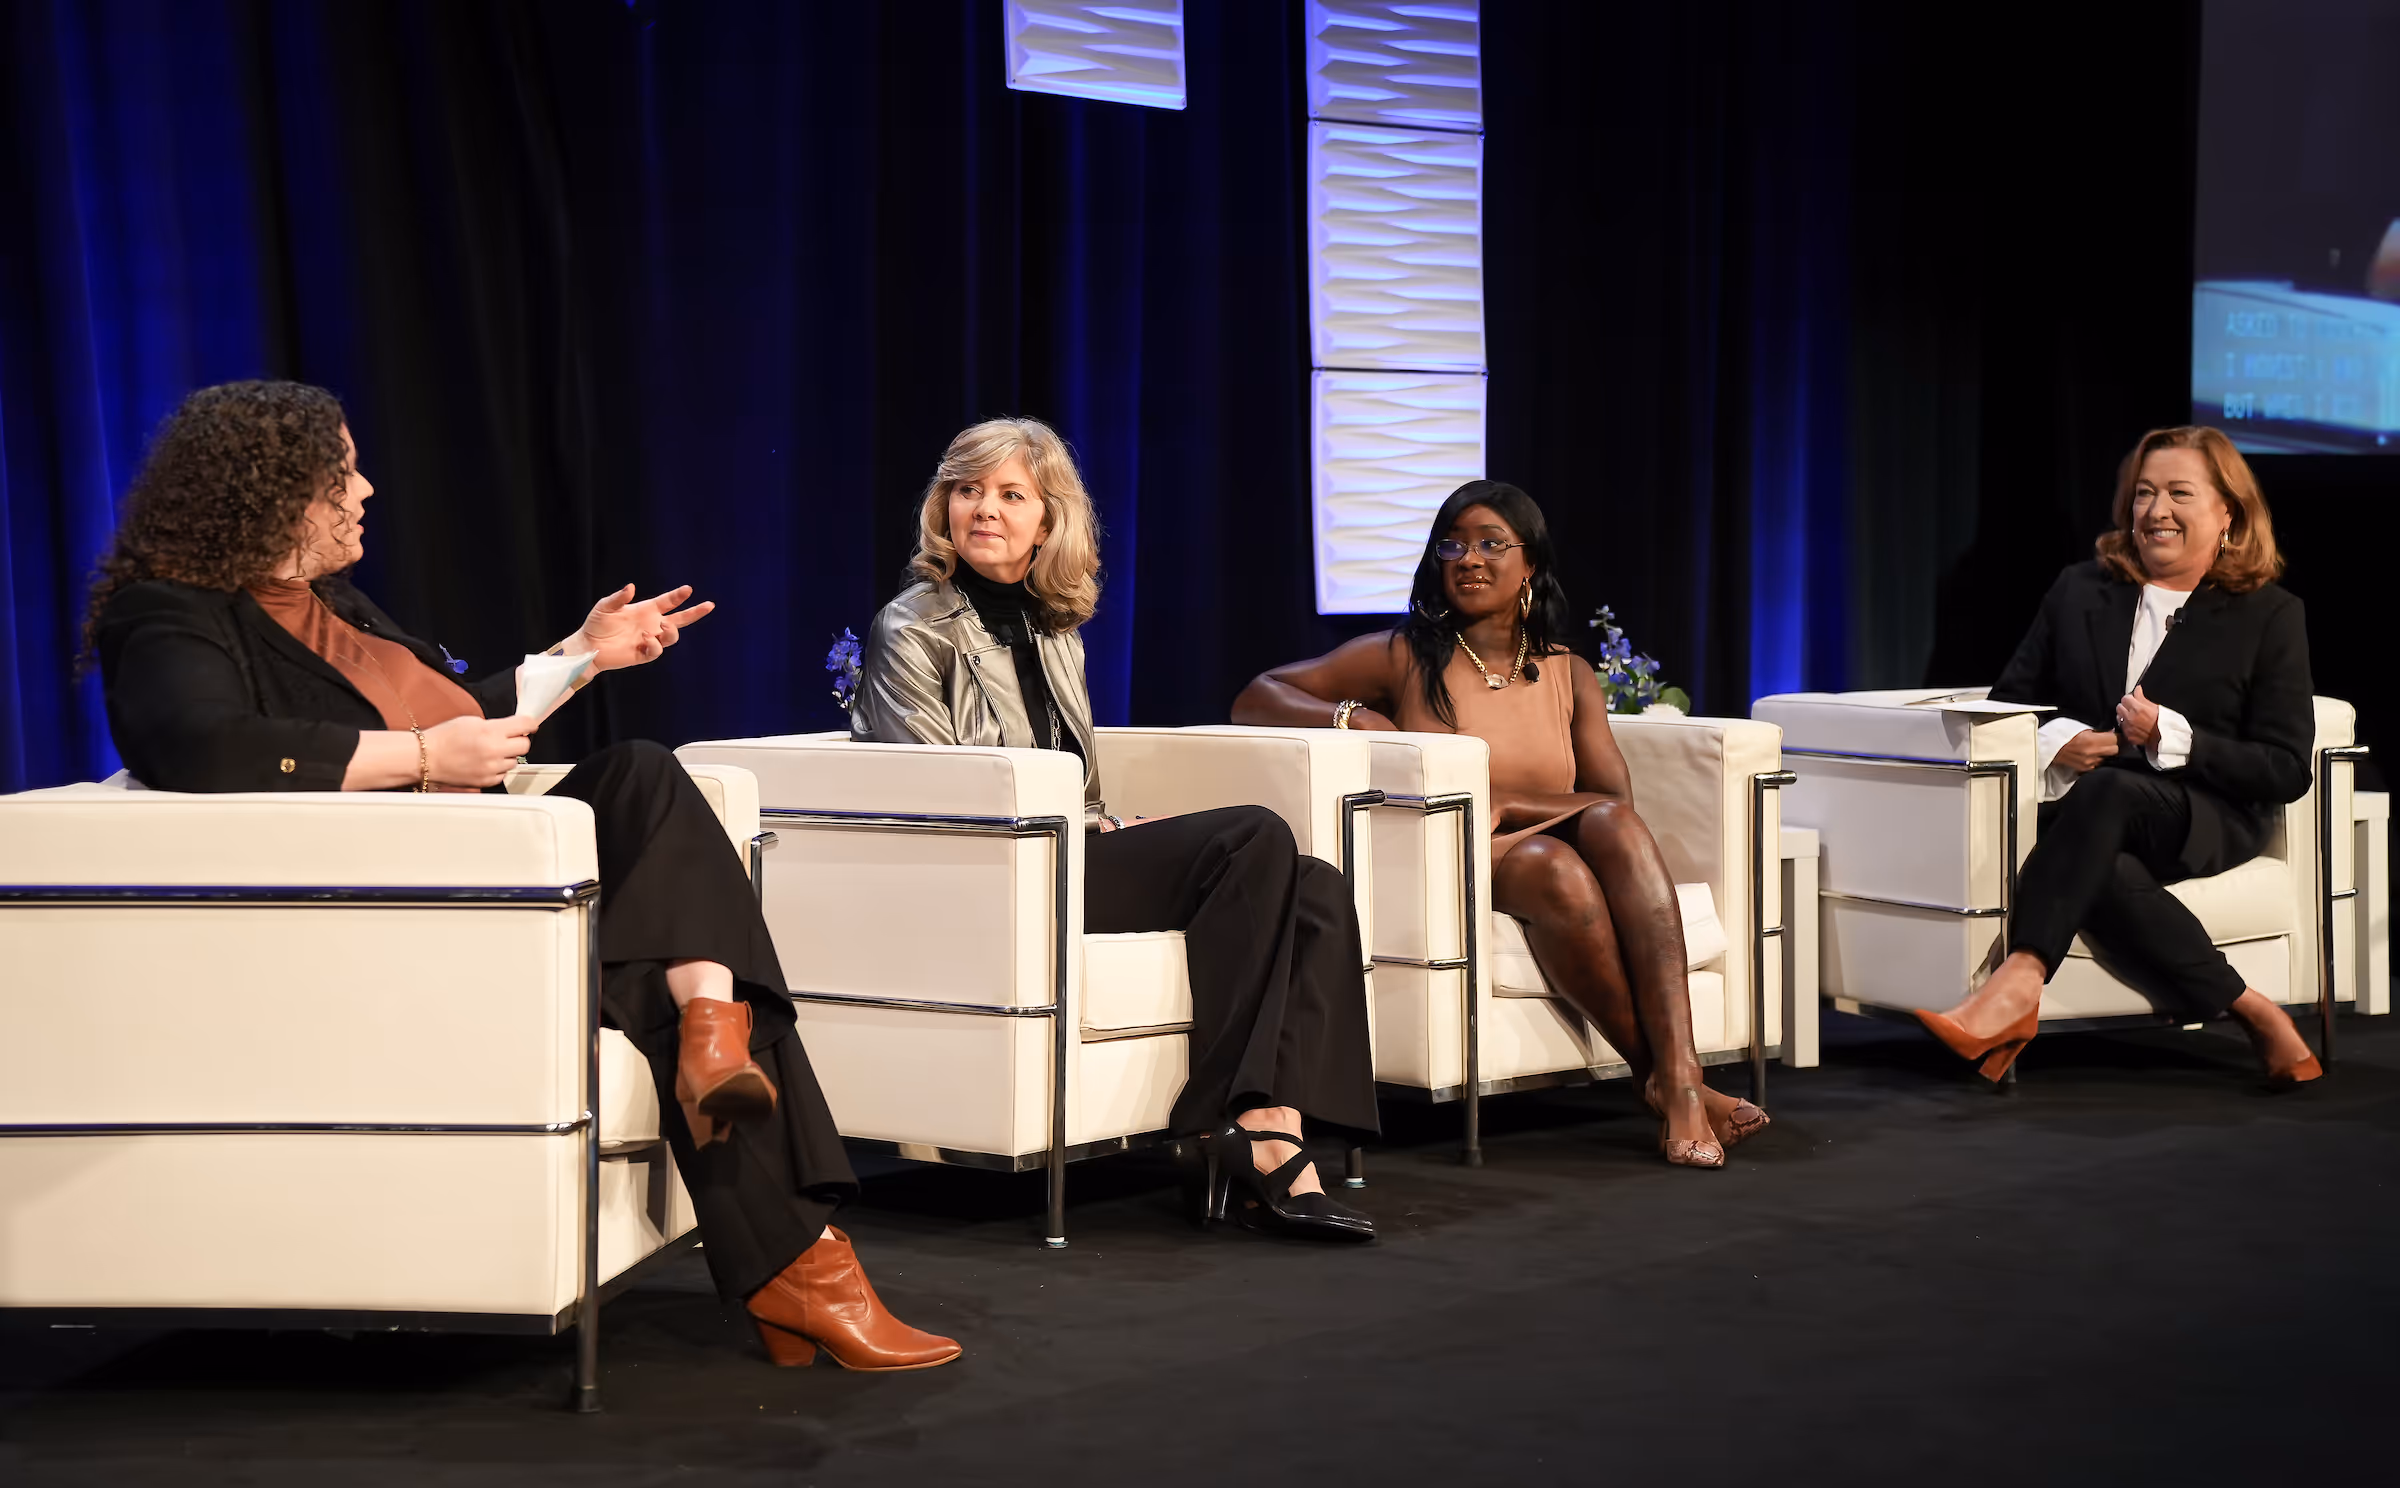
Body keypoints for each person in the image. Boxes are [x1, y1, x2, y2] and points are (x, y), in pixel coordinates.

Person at [89, 379, 959, 1371]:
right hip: (398, 922)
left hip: (499, 890)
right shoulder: (170, 613)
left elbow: (462, 714)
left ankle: (721, 1053)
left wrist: (583, 657)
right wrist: (422, 760)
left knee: (639, 772)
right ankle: (794, 1249)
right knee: (663, 933)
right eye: (343, 474)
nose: (367, 489)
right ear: (273, 491)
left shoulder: (331, 602)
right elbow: (202, 746)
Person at [852, 417, 1378, 1240]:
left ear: (1049, 518)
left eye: (1009, 495)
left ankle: (1284, 1127)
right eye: (967, 491)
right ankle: (1233, 1124)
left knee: (1315, 884)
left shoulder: (1054, 623)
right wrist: (1083, 827)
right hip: (996, 869)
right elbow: (937, 797)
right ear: (942, 507)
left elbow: (1079, 780)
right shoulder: (911, 627)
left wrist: (1111, 823)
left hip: (1067, 848)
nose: (983, 509)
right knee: (1254, 835)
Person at [1233, 480, 1767, 1170]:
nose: (1469, 558)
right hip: (1459, 847)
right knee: (1558, 868)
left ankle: (1676, 1080)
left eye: (1491, 543)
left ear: (1530, 567)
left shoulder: (1569, 673)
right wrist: (1352, 716)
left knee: (1610, 833)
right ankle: (1677, 1084)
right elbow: (1257, 696)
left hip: (1538, 833)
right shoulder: (1404, 654)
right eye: (1452, 544)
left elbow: (1611, 798)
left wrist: (1512, 801)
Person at [1912, 425, 2320, 1086]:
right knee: (2099, 844)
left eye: (2179, 493)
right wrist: (2058, 741)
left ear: (2228, 514)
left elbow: (2283, 768)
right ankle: (2252, 1009)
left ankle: (2018, 981)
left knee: (2105, 800)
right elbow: (2011, 702)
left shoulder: (2268, 614)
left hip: (2209, 813)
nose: (2155, 511)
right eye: (2144, 494)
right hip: (2090, 810)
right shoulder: (2079, 591)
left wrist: (2174, 738)